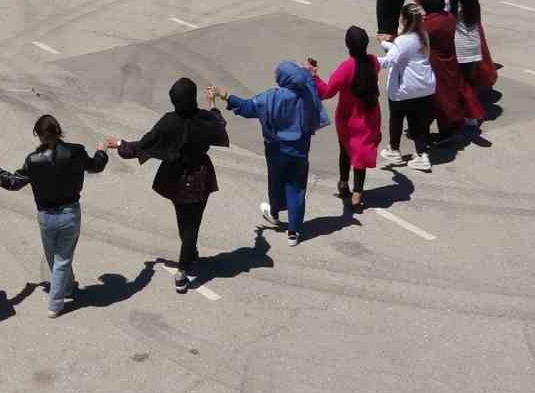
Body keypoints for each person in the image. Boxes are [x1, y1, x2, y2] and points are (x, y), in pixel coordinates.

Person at [103, 78, 229, 293]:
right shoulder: (203, 118)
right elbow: (218, 123)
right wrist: (213, 103)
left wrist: (120, 144)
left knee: (184, 219)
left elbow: (144, 144)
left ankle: (187, 257)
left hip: (175, 178)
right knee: (193, 222)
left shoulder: (169, 121)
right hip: (200, 175)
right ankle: (184, 267)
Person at [0, 115, 108, 317]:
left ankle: (55, 303)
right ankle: (66, 288)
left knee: (56, 258)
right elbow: (96, 165)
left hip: (46, 216)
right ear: (59, 130)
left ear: (39, 135)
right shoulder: (75, 151)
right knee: (60, 258)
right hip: (70, 213)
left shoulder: (33, 160)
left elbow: (13, 183)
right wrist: (102, 151)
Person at [211, 61, 328, 247]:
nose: (275, 76)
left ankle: (274, 213)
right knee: (297, 188)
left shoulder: (271, 98)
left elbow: (248, 107)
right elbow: (310, 83)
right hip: (300, 151)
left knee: (276, 181)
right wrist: (311, 74)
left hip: (276, 151)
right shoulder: (307, 94)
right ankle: (293, 232)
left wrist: (225, 96)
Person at [313, 27, 382, 214]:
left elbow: (326, 92)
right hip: (369, 116)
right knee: (360, 155)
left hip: (348, 118)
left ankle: (344, 183)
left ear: (348, 45)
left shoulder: (347, 68)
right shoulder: (374, 61)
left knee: (345, 150)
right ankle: (357, 193)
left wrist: (314, 76)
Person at [379, 4, 436, 173]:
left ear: (404, 19)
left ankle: (394, 150)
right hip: (425, 86)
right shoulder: (423, 36)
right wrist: (386, 43)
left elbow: (389, 60)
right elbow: (402, 52)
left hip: (405, 88)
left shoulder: (403, 40)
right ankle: (422, 155)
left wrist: (368, 59)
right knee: (418, 122)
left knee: (396, 118)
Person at [420, 0, 482, 141]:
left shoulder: (428, 25)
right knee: (450, 96)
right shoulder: (450, 19)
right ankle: (451, 127)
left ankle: (437, 132)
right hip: (450, 61)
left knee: (436, 101)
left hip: (434, 65)